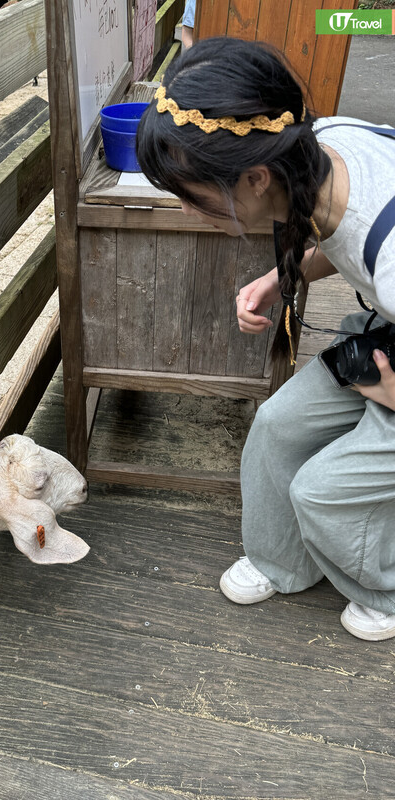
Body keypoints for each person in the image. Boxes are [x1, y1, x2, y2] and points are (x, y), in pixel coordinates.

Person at [136, 37, 395, 641]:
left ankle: (384, 588)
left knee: (323, 491)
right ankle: (283, 561)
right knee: (278, 425)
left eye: (192, 194)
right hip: (385, 333)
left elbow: (377, 246)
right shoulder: (312, 144)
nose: (187, 209)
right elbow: (348, 233)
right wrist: (281, 280)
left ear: (254, 178)